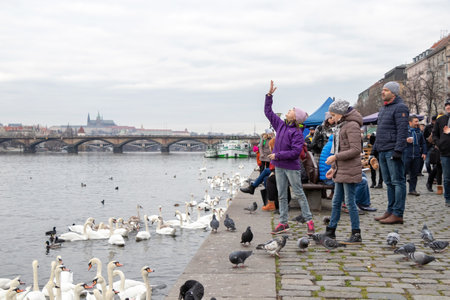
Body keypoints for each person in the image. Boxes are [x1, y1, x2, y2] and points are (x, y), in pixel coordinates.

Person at [264, 80, 314, 235]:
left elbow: (295, 152)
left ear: (295, 117)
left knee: (298, 193)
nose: (289, 110)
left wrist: (277, 155)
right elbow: (268, 112)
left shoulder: (298, 133)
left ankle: (309, 220)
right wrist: (269, 95)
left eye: (292, 110)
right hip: (279, 166)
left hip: (291, 168)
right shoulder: (281, 125)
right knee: (282, 195)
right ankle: (283, 223)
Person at [324, 100, 364, 244]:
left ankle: (356, 233)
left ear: (341, 113)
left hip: (350, 169)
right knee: (336, 202)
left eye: (333, 115)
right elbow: (339, 148)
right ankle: (331, 231)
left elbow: (355, 150)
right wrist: (333, 167)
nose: (332, 118)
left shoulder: (352, 125)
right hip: (341, 169)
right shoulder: (341, 126)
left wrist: (335, 157)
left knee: (350, 202)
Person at [372, 81, 409, 224]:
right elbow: (380, 131)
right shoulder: (383, 109)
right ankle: (390, 210)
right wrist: (375, 149)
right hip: (382, 150)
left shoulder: (400, 107)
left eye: (386, 90)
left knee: (398, 182)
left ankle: (398, 213)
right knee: (388, 182)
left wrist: (398, 149)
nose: (383, 92)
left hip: (393, 150)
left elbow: (402, 131)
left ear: (393, 92)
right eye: (382, 90)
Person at [432, 98, 450, 207]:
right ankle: (448, 198)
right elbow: (435, 134)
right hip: (445, 153)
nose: (448, 107)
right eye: (446, 105)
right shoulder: (441, 119)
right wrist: (439, 144)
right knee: (447, 177)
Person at [404, 115, 427, 196]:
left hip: (416, 156)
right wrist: (405, 140)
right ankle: (401, 190)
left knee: (414, 174)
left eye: (418, 121)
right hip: (406, 155)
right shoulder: (405, 131)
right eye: (416, 121)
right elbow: (398, 141)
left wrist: (424, 153)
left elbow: (423, 143)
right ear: (410, 122)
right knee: (403, 173)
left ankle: (412, 189)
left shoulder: (419, 132)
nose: (417, 123)